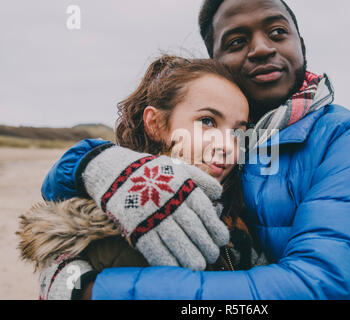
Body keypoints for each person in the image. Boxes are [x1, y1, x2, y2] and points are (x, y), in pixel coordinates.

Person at [35, 0, 350, 299]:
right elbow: (59, 203)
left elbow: (329, 284)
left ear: (301, 44)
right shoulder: (169, 168)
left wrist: (92, 291)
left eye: (278, 31)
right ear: (217, 61)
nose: (262, 48)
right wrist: (91, 162)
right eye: (236, 41)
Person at [17, 55, 267, 300]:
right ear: (155, 123)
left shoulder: (236, 216)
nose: (227, 145)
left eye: (237, 132)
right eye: (207, 121)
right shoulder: (116, 229)